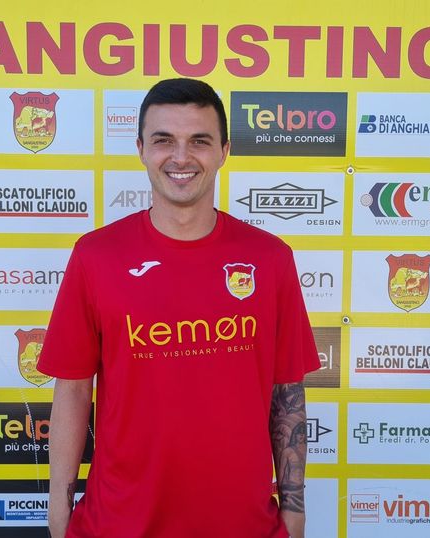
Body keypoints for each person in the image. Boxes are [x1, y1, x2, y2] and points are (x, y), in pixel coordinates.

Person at [37, 78, 320, 538]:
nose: (181, 157)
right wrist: (58, 507)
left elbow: (287, 391)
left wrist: (294, 507)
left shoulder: (271, 259)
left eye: (200, 141)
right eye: (164, 140)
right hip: (119, 523)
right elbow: (71, 390)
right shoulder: (96, 256)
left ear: (224, 151)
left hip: (242, 524)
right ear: (141, 149)